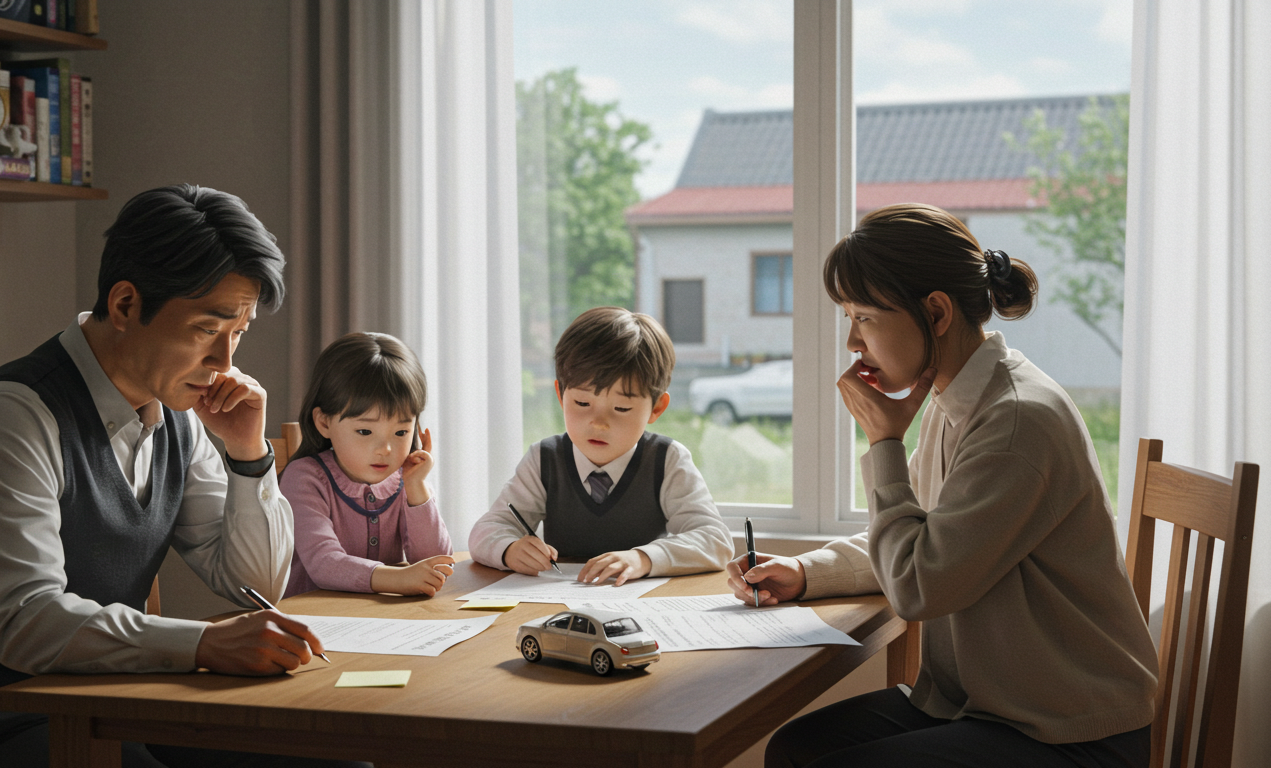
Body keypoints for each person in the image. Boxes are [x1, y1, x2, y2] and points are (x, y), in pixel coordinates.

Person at [0, 184, 367, 768]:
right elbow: (25, 622)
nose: (225, 361)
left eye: (237, 333)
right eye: (205, 329)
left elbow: (255, 585)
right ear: (124, 305)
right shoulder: (13, 415)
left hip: (115, 705)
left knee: (338, 758)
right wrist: (202, 642)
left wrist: (248, 454)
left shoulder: (177, 418)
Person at [728, 203, 1157, 768]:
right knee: (793, 750)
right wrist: (809, 572)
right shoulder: (958, 398)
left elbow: (918, 585)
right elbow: (924, 535)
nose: (853, 343)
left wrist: (885, 444)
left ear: (934, 313)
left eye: (864, 317)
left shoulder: (1015, 422)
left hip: (1069, 729)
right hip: (984, 707)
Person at [469, 306, 732, 586]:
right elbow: (486, 530)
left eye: (621, 408)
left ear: (656, 408)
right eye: (582, 403)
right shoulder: (544, 459)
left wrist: (642, 558)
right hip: (556, 606)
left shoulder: (667, 460)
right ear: (561, 395)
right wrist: (508, 549)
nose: (598, 423)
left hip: (642, 606)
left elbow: (715, 540)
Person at [280, 332, 454, 598]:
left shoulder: (406, 479)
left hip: (383, 624)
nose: (385, 449)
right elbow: (324, 563)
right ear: (324, 422)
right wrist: (398, 578)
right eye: (364, 431)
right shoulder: (305, 478)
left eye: (400, 433)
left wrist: (417, 488)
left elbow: (438, 562)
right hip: (315, 623)